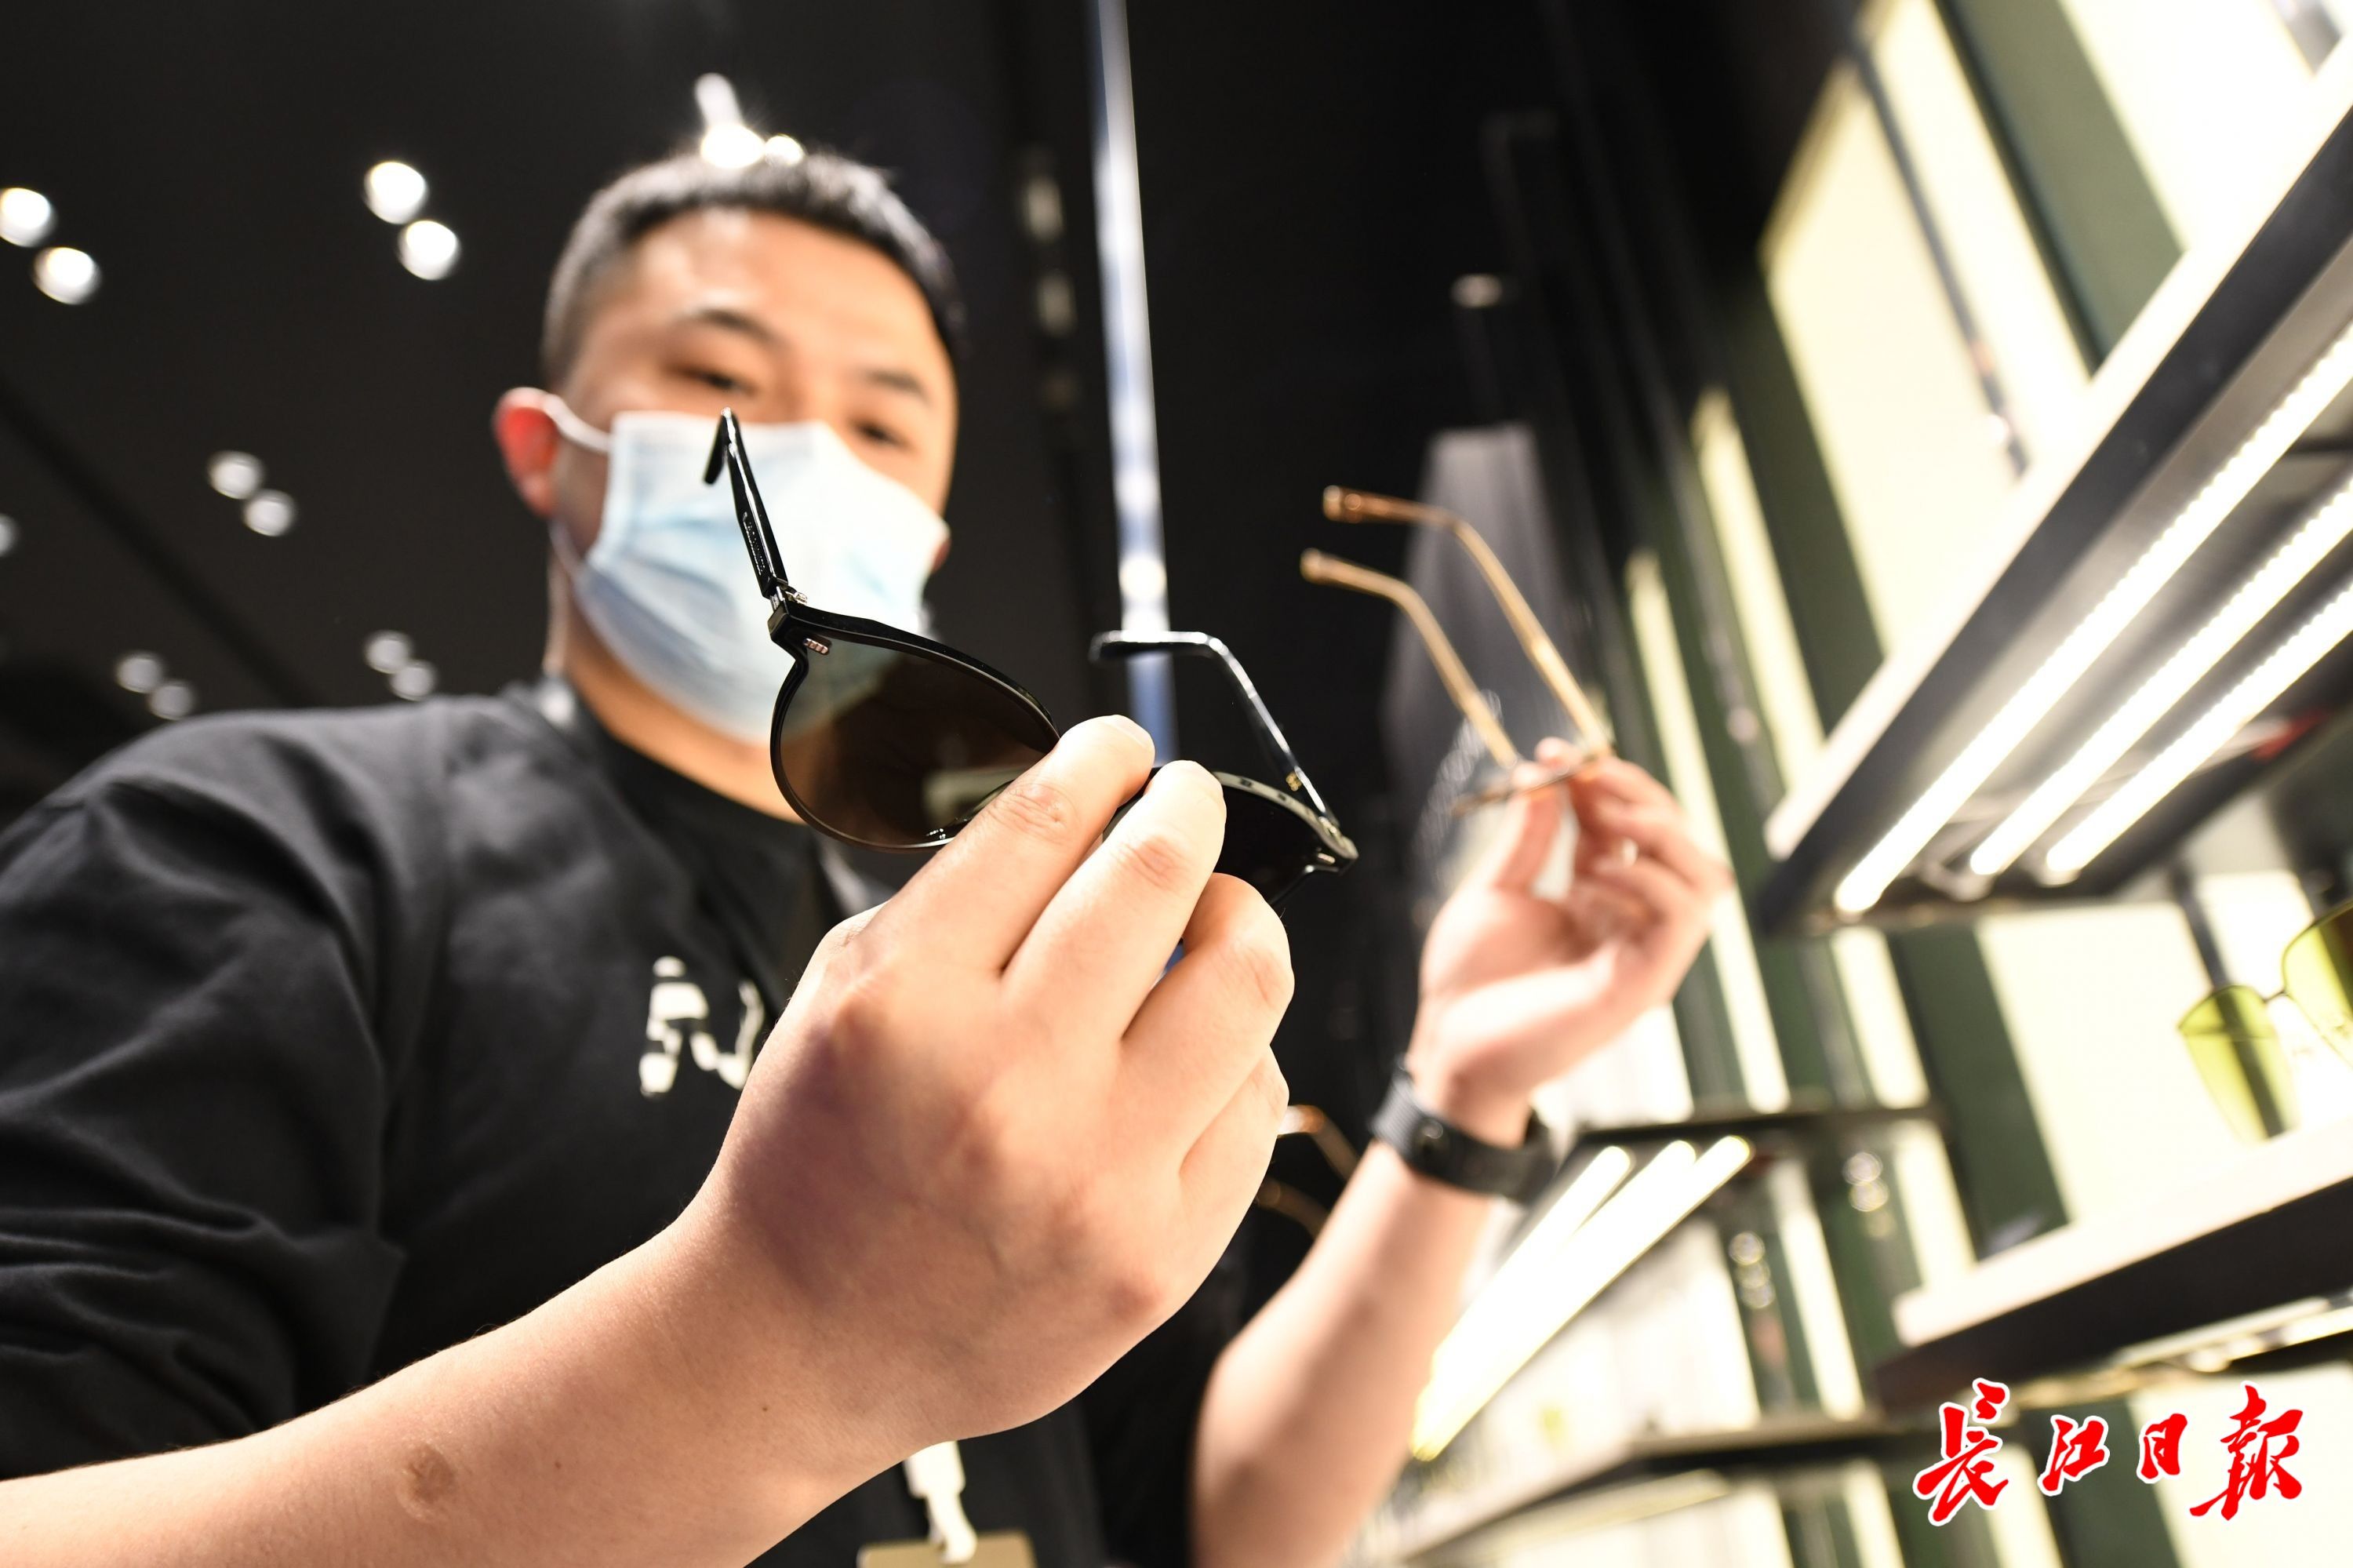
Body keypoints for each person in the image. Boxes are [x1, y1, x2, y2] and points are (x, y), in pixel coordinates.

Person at [0, 147, 1729, 1566]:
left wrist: (1463, 1089)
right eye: (721, 380)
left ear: (929, 526)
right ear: (548, 448)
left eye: (884, 425)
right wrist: (782, 1335)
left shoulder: (992, 961)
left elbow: (1224, 1519)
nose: (808, 452)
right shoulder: (263, 850)